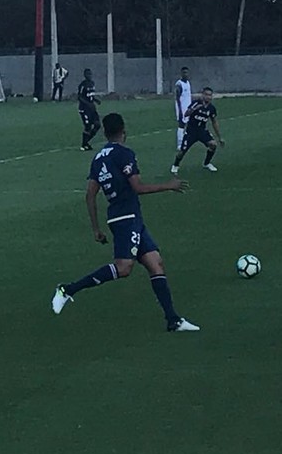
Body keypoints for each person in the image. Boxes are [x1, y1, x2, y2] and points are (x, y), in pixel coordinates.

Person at [52, 112, 200, 333]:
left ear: (105, 133)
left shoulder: (98, 158)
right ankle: (67, 289)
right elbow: (138, 187)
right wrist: (168, 186)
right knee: (123, 268)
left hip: (127, 218)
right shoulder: (125, 154)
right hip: (125, 219)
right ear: (124, 131)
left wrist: (96, 229)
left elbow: (90, 195)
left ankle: (173, 320)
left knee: (155, 263)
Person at [170, 87, 224, 173]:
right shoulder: (196, 103)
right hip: (191, 131)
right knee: (182, 151)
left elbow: (214, 122)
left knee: (213, 145)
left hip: (202, 131)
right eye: (206, 95)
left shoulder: (211, 108)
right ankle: (176, 165)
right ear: (202, 95)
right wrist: (194, 109)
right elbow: (186, 114)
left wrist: (219, 137)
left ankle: (206, 163)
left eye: (210, 95)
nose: (208, 97)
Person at [77, 68, 102, 151]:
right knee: (87, 126)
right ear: (85, 75)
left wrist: (96, 100)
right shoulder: (82, 85)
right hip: (84, 109)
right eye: (88, 74)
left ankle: (86, 142)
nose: (89, 76)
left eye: (90, 74)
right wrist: (88, 104)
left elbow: (90, 95)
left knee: (97, 125)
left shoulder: (92, 83)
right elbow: (79, 97)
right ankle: (83, 145)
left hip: (92, 109)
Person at [174, 67, 192, 149]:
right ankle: (179, 143)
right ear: (181, 74)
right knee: (181, 125)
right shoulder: (179, 84)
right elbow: (177, 98)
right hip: (181, 108)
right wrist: (180, 110)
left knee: (189, 125)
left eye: (187, 73)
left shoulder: (188, 83)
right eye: (184, 73)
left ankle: (186, 141)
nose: (186, 74)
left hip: (188, 108)